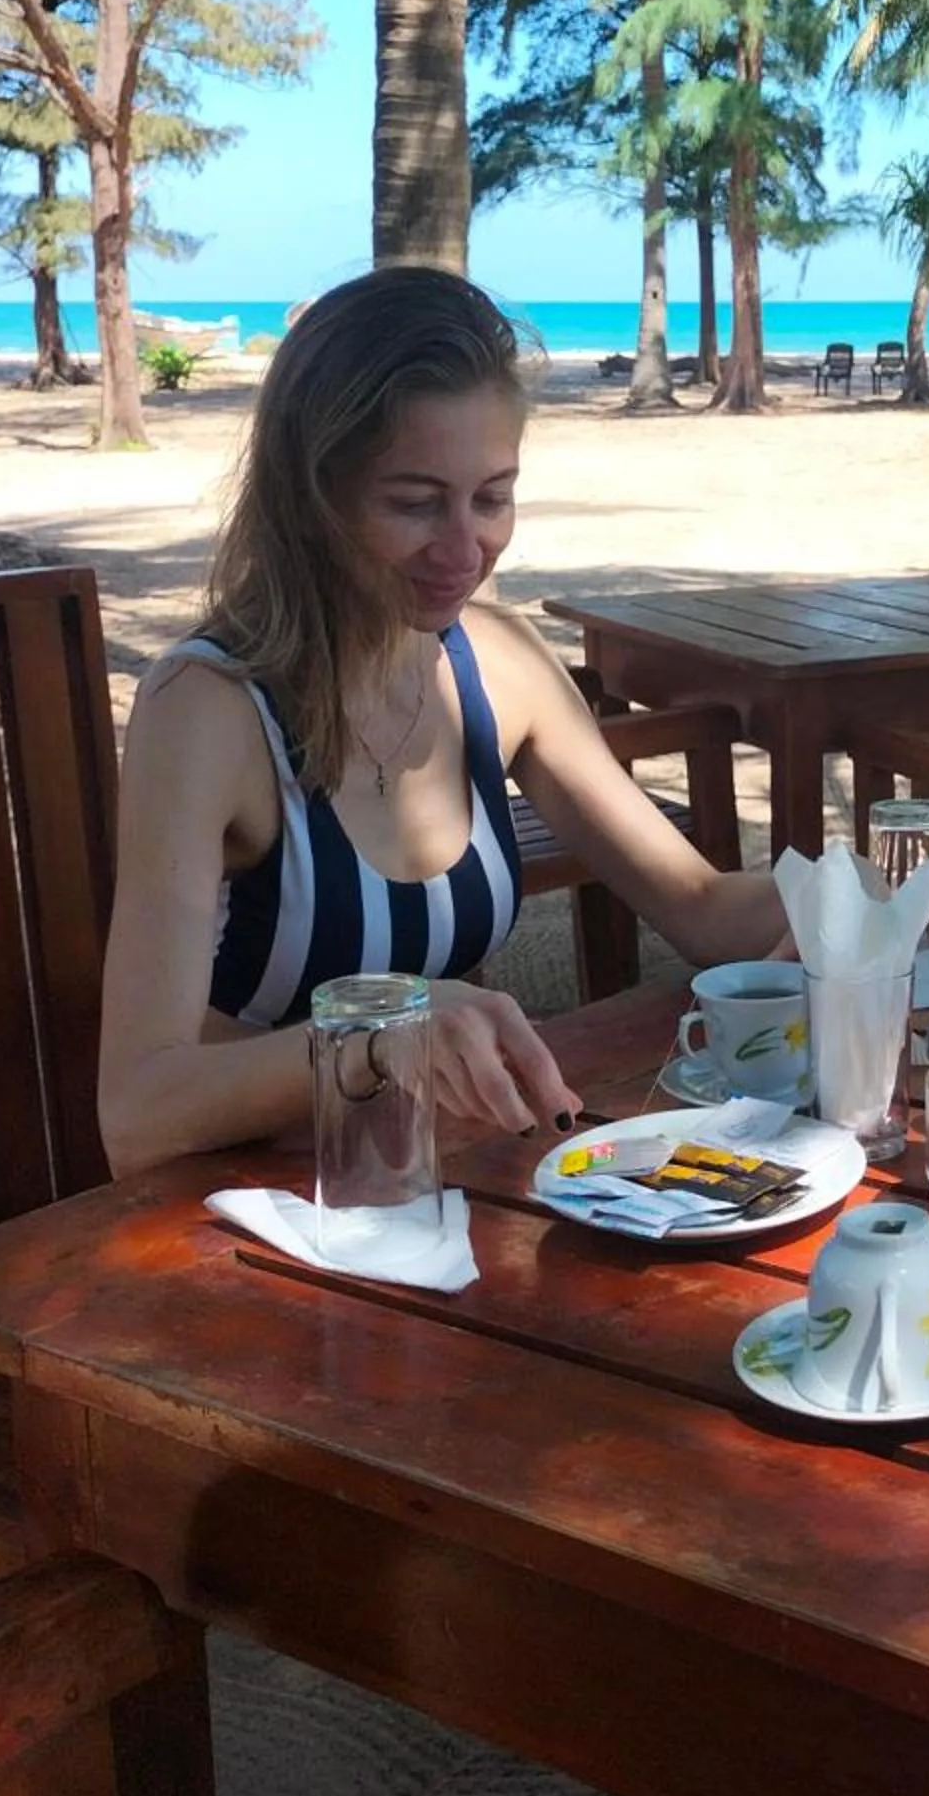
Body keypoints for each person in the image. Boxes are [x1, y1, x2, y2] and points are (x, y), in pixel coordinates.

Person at [99, 268, 787, 1175]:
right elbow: (138, 1112)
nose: (464, 550)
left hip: (438, 1187)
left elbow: (700, 911)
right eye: (415, 503)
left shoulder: (498, 665)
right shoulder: (212, 711)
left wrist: (870, 891)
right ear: (312, 498)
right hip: (252, 1215)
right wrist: (381, 1037)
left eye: (491, 497)